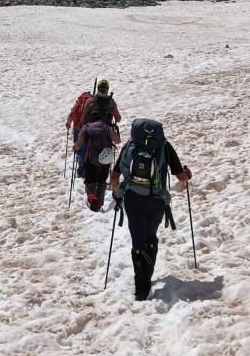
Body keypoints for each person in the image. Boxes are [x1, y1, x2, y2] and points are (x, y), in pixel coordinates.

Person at [110, 118, 192, 301]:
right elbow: (181, 177)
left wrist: (116, 193)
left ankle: (142, 286)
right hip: (156, 200)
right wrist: (188, 174)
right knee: (150, 235)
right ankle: (148, 272)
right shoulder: (164, 147)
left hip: (132, 199)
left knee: (137, 239)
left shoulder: (130, 146)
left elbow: (115, 176)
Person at [73, 120, 120, 211]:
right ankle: (99, 202)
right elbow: (117, 141)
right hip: (106, 158)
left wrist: (75, 147)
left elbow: (78, 145)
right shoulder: (106, 127)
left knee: (90, 180)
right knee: (102, 181)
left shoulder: (86, 127)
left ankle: (92, 199)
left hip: (92, 159)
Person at [65, 90, 92, 176]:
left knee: (79, 148)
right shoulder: (90, 102)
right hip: (87, 129)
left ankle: (81, 169)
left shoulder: (78, 102)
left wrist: (68, 124)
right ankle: (85, 168)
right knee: (87, 149)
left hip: (77, 129)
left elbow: (71, 115)